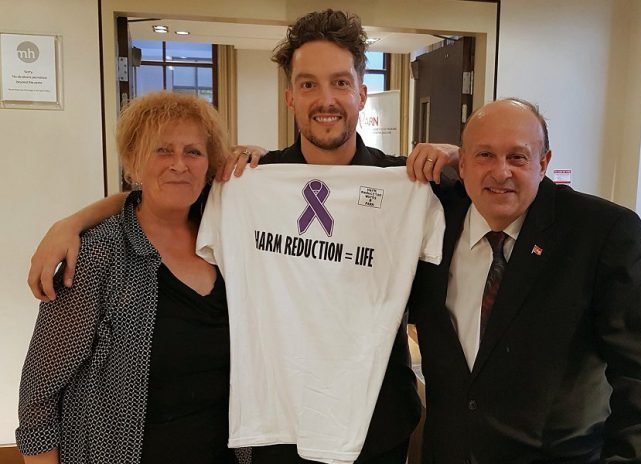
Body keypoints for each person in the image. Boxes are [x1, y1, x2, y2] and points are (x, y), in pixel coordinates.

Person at [25, 9, 458, 464]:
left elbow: (497, 187)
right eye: (308, 84)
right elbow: (161, 199)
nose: (325, 98)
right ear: (290, 97)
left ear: (361, 93)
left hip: (376, 423)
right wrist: (71, 223)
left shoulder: (408, 184)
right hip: (272, 431)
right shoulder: (248, 181)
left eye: (340, 82)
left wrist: (458, 154)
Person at [408, 98, 641, 463]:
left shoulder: (601, 234)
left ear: (543, 163)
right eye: (484, 155)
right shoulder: (433, 217)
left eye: (517, 157)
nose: (500, 172)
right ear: (461, 162)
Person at [16, 92, 240, 464]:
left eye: (194, 152)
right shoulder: (98, 254)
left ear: (210, 165)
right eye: (162, 150)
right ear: (133, 161)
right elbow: (39, 392)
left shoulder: (227, 245)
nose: (179, 165)